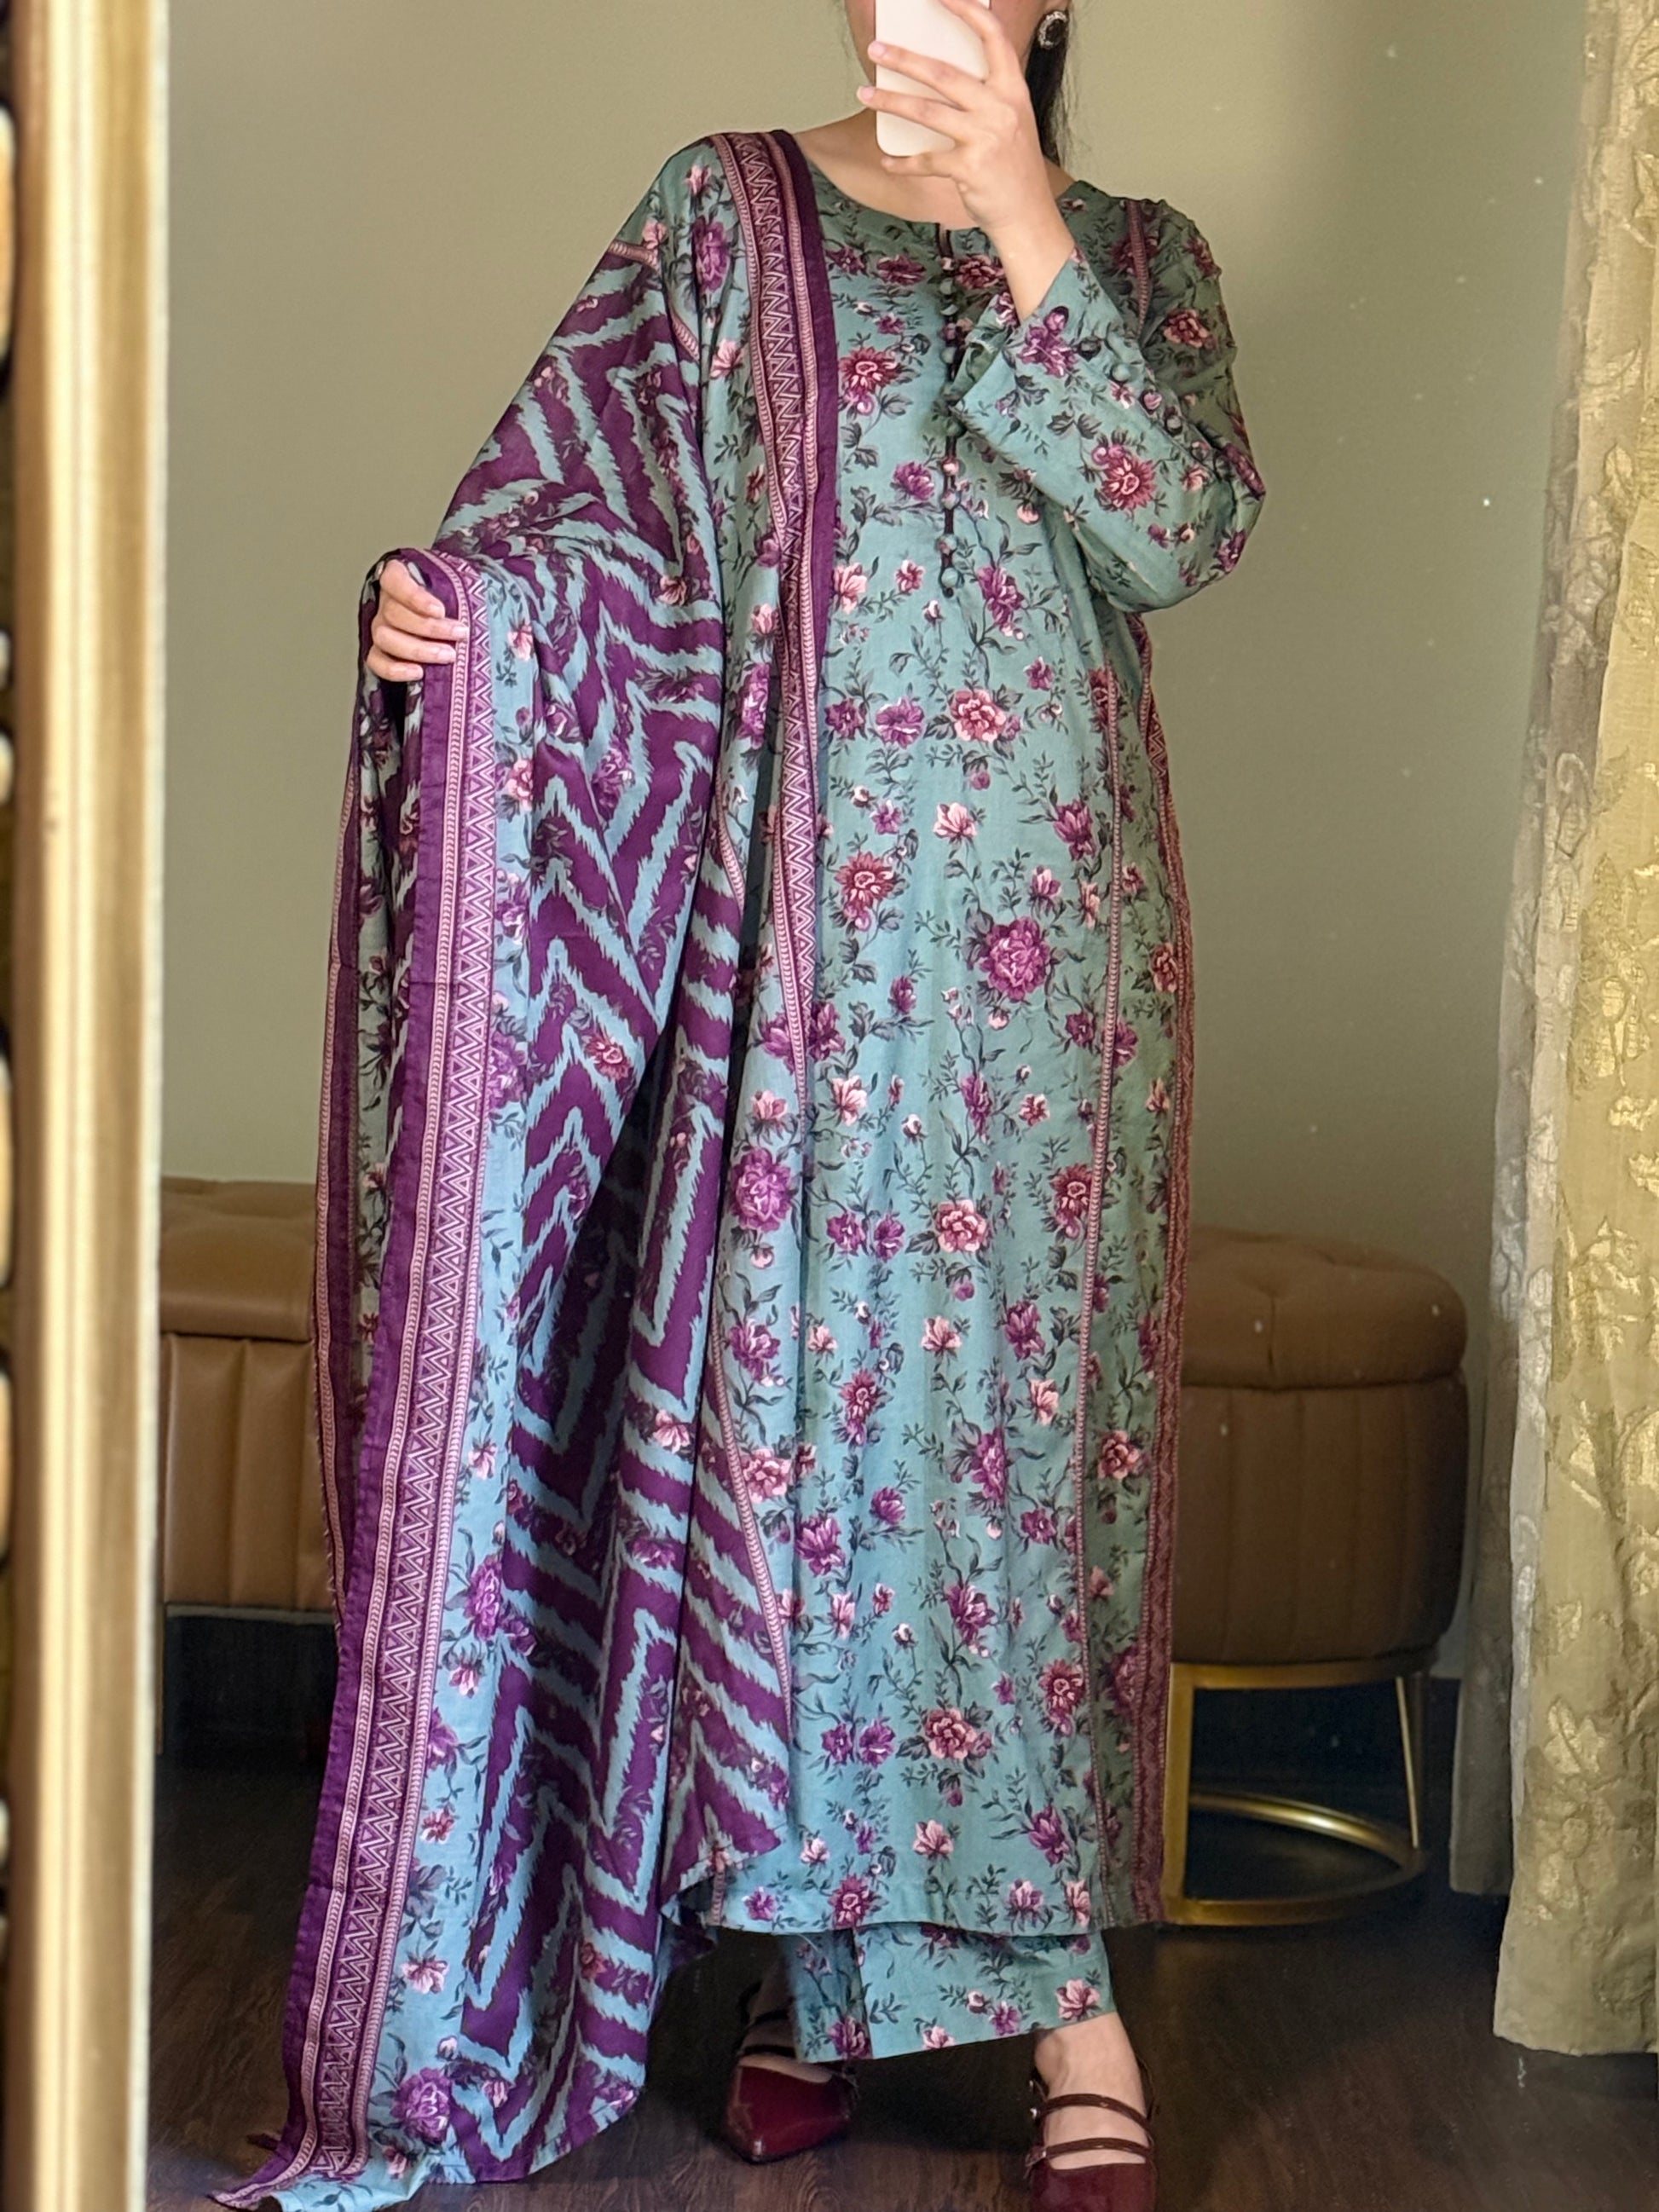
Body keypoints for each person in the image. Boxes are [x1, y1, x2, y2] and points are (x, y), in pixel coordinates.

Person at [222, 4, 1265, 2209]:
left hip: (1052, 984)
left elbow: (1178, 531)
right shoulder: (726, 213)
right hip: (793, 961)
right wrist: (462, 618)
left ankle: (1068, 2005)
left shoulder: (1142, 253)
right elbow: (591, 536)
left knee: (1017, 1480)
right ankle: (809, 1970)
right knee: (804, 1462)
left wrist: (1016, 210)